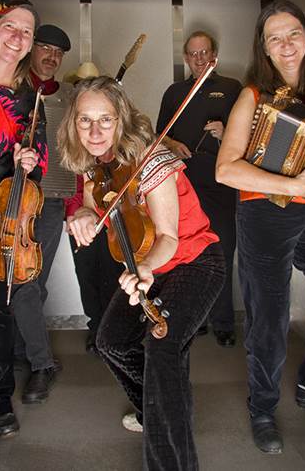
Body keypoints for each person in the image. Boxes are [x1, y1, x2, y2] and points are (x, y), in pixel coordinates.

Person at [57, 76, 226, 470]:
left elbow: (167, 236)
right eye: (85, 121)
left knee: (161, 348)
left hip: (193, 262)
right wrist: (82, 215)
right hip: (145, 267)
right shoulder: (91, 161)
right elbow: (89, 203)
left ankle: (171, 458)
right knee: (112, 341)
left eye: (106, 120)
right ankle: (162, 407)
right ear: (73, 123)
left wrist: (146, 269)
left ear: (122, 120)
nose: (95, 132)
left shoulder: (151, 161)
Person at [216, 0, 305, 454]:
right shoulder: (252, 95)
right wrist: (291, 183)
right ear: (263, 49)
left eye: (293, 34)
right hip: (265, 212)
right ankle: (262, 407)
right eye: (274, 39)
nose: (286, 46)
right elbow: (226, 170)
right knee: (269, 318)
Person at [156, 30, 241, 346]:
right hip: (184, 184)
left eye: (205, 53)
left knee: (222, 251)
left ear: (214, 54)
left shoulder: (231, 88)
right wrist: (174, 143)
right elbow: (159, 136)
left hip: (221, 182)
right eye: (193, 54)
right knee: (188, 253)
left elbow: (251, 135)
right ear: (186, 57)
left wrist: (226, 132)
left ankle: (223, 322)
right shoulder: (175, 92)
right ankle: (196, 319)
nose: (199, 59)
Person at [0, 0, 48, 437]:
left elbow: (41, 162)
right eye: (11, 25)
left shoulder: (31, 102)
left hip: (2, 216)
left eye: (26, 32)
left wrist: (30, 162)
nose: (18, 36)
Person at [12, 24, 71, 405]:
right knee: (23, 283)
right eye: (44, 48)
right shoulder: (13, 91)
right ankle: (38, 360)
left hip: (50, 202)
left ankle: (33, 357)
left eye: (57, 53)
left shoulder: (66, 99)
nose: (50, 57)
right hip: (13, 198)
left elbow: (73, 156)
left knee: (33, 281)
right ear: (32, 50)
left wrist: (72, 201)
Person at [63, 62, 123, 355]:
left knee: (112, 273)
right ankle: (95, 326)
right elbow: (69, 183)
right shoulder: (71, 130)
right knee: (86, 273)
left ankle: (111, 329)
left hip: (111, 215)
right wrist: (75, 214)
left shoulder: (106, 133)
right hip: (79, 215)